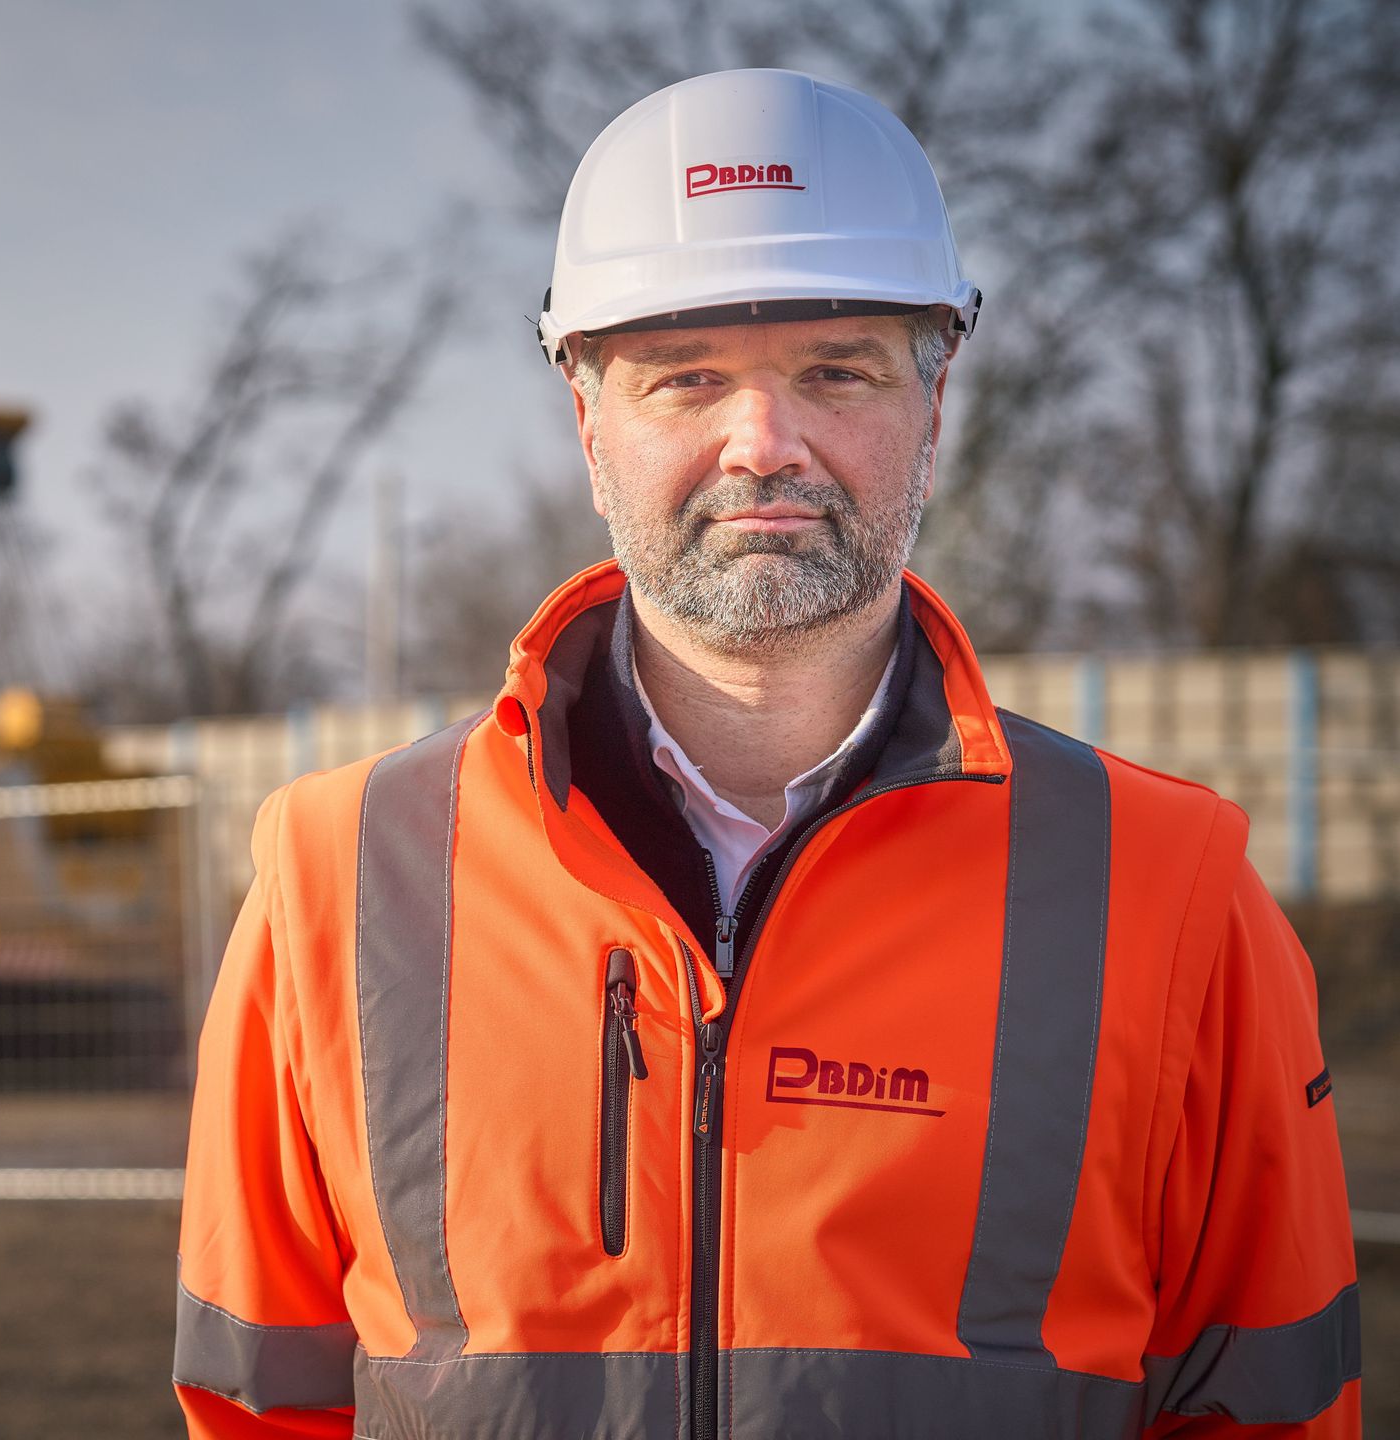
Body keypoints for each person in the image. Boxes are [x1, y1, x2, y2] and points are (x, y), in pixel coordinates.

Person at [172, 69, 1361, 1439]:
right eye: (687, 380)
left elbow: (1266, 1408)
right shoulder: (341, 879)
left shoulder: (1169, 895)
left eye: (836, 371)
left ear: (935, 399)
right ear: (587, 417)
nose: (765, 444)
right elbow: (261, 1407)